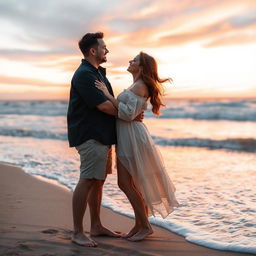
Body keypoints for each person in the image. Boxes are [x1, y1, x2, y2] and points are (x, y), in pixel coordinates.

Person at [95, 52, 179, 242]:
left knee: (125, 183)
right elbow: (130, 113)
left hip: (132, 136)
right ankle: (140, 224)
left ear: (141, 67)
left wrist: (107, 95)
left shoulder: (140, 86)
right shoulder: (136, 85)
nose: (130, 61)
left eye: (134, 60)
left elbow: (126, 114)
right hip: (128, 134)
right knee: (130, 183)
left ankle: (146, 226)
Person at [67, 32, 120, 247]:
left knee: (98, 180)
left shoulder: (97, 73)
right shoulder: (85, 75)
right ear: (93, 50)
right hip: (90, 135)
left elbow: (109, 104)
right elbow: (105, 106)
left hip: (102, 135)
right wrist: (129, 113)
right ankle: (78, 232)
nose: (106, 50)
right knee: (88, 179)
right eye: (103, 47)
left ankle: (96, 226)